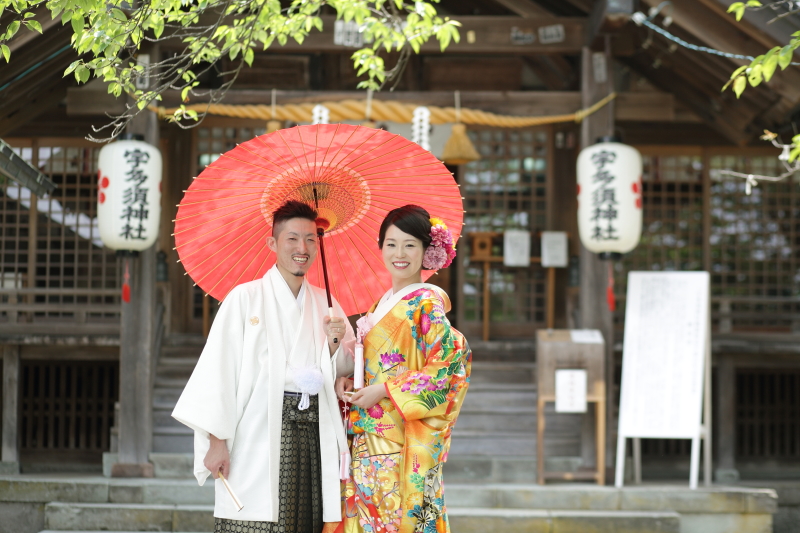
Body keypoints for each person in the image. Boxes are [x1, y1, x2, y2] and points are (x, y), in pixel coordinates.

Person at [172, 200, 355, 533]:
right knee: (255, 516)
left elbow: (345, 369)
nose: (303, 248)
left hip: (314, 431)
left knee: (306, 518)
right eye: (293, 238)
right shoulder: (245, 298)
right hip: (257, 428)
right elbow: (219, 372)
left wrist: (333, 342)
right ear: (273, 243)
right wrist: (216, 440)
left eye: (311, 239)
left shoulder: (328, 305)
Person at [333, 205, 472, 533]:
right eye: (391, 243)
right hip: (367, 436)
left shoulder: (427, 304)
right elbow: (371, 365)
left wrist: (383, 390)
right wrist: (346, 381)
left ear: (427, 251)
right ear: (380, 246)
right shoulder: (381, 304)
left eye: (410, 245)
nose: (399, 253)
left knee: (396, 520)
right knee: (368, 520)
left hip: (402, 441)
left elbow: (448, 368)